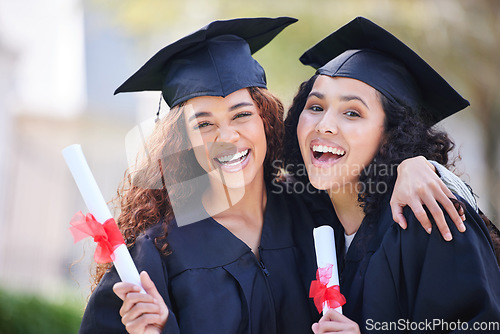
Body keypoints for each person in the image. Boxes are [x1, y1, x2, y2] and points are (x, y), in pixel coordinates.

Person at [79, 17, 475, 334]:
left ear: (267, 120)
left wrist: (417, 164)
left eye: (241, 114)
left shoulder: (321, 212)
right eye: (203, 124)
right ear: (181, 141)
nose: (227, 136)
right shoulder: (155, 255)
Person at [284, 16, 500, 333]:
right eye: (315, 107)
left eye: (352, 112)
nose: (324, 125)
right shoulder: (303, 213)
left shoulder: (427, 215)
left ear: (391, 135)